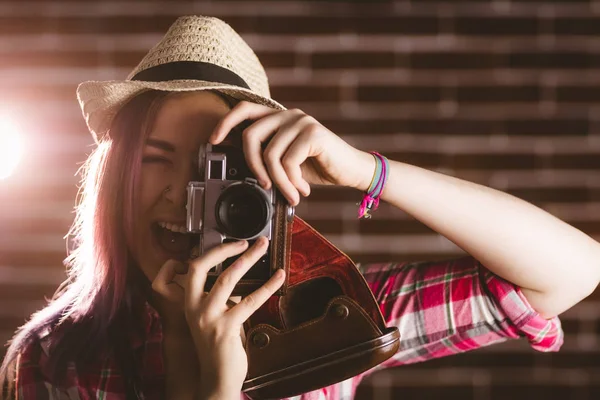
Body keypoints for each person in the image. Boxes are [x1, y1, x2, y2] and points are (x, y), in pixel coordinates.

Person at [1, 14, 598, 400]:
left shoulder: (327, 320)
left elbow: (571, 272)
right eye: (157, 158)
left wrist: (365, 170)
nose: (184, 194)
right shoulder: (54, 361)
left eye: (216, 168)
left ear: (260, 181)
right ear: (114, 180)